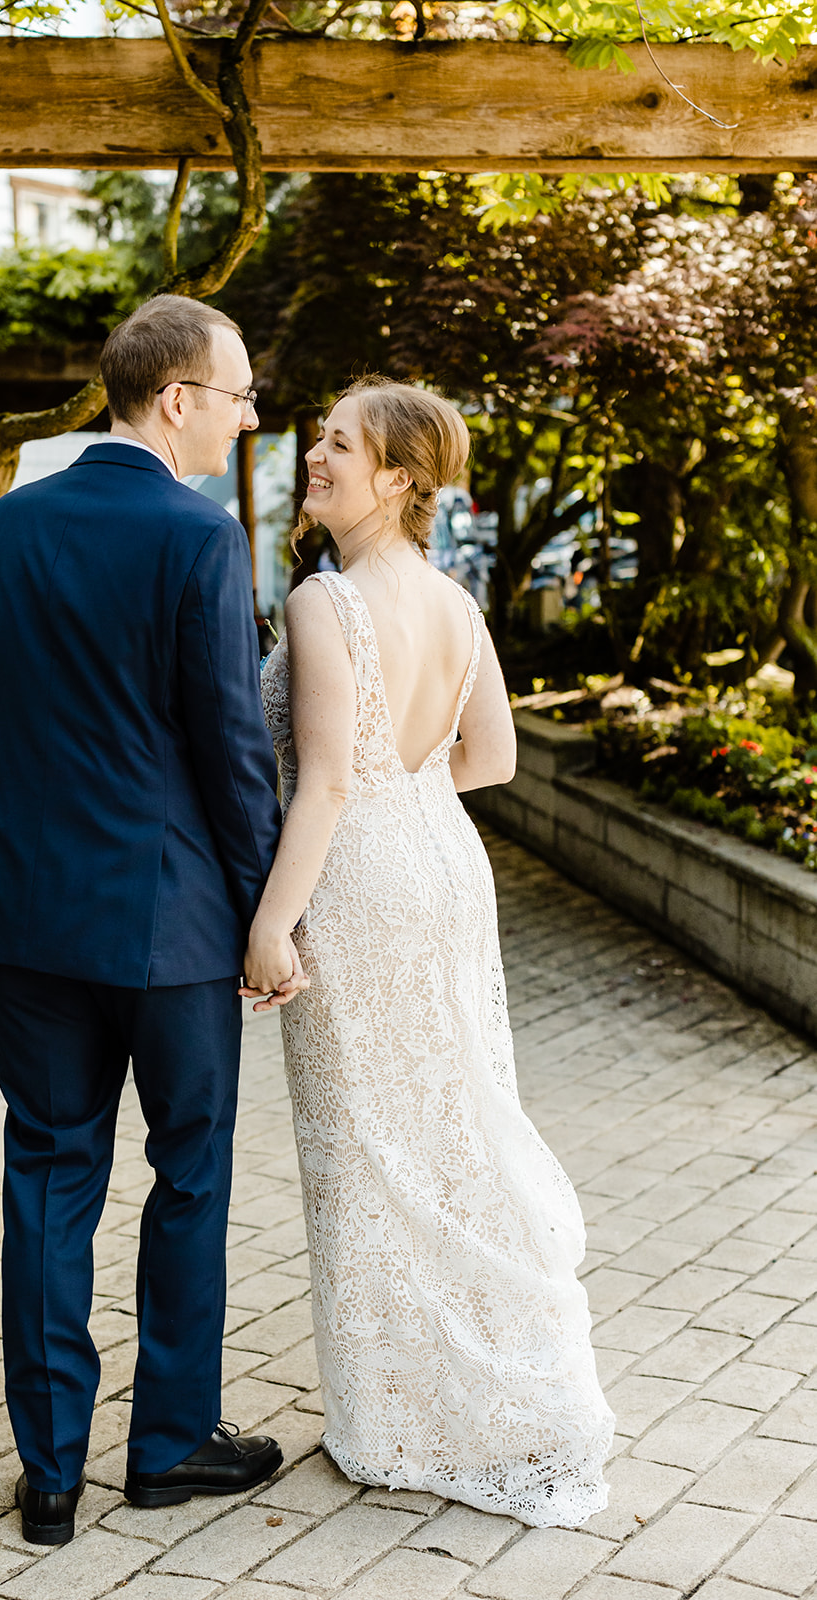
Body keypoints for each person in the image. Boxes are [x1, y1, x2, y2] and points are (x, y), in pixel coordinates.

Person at [0, 295, 305, 1546]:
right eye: (241, 393)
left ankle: (48, 1473)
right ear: (177, 396)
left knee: (46, 1177)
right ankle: (166, 1445)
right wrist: (264, 913)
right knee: (186, 1173)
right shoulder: (197, 537)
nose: (251, 415)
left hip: (29, 916)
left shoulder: (3, 530)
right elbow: (230, 747)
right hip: (174, 929)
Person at [247, 377, 614, 1528]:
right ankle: (469, 1383)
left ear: (396, 477)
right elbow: (490, 757)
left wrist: (267, 922)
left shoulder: (323, 602)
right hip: (445, 866)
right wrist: (404, 808)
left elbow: (326, 782)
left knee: (363, 1144)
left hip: (355, 883)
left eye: (338, 444)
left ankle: (389, 1415)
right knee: (446, 1123)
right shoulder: (456, 603)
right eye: (318, 436)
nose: (315, 454)